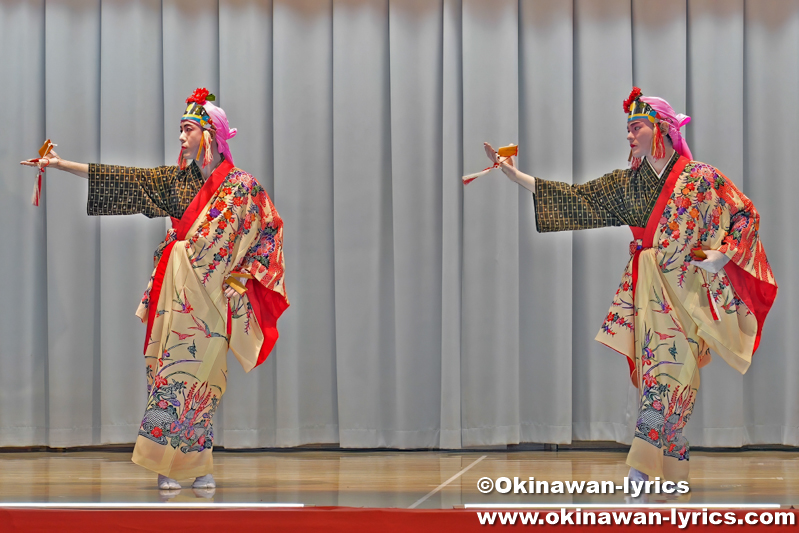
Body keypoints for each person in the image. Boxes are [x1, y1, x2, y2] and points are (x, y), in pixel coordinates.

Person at [484, 87, 777, 484]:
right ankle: (646, 466)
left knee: (681, 376)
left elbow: (745, 214)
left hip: (690, 289)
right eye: (627, 128)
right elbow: (576, 198)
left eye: (636, 126)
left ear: (661, 130)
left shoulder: (701, 178)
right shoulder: (627, 184)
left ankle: (669, 462)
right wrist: (513, 174)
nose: (628, 135)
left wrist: (723, 255)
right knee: (661, 371)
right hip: (650, 289)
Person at [21, 88, 289, 491]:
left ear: (210, 136)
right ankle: (167, 465)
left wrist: (243, 275)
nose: (180, 138)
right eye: (179, 130)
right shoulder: (172, 182)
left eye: (187, 130)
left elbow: (268, 231)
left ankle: (198, 465)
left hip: (214, 300)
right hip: (176, 293)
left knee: (205, 380)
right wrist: (59, 166)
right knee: (167, 374)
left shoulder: (242, 187)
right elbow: (122, 178)